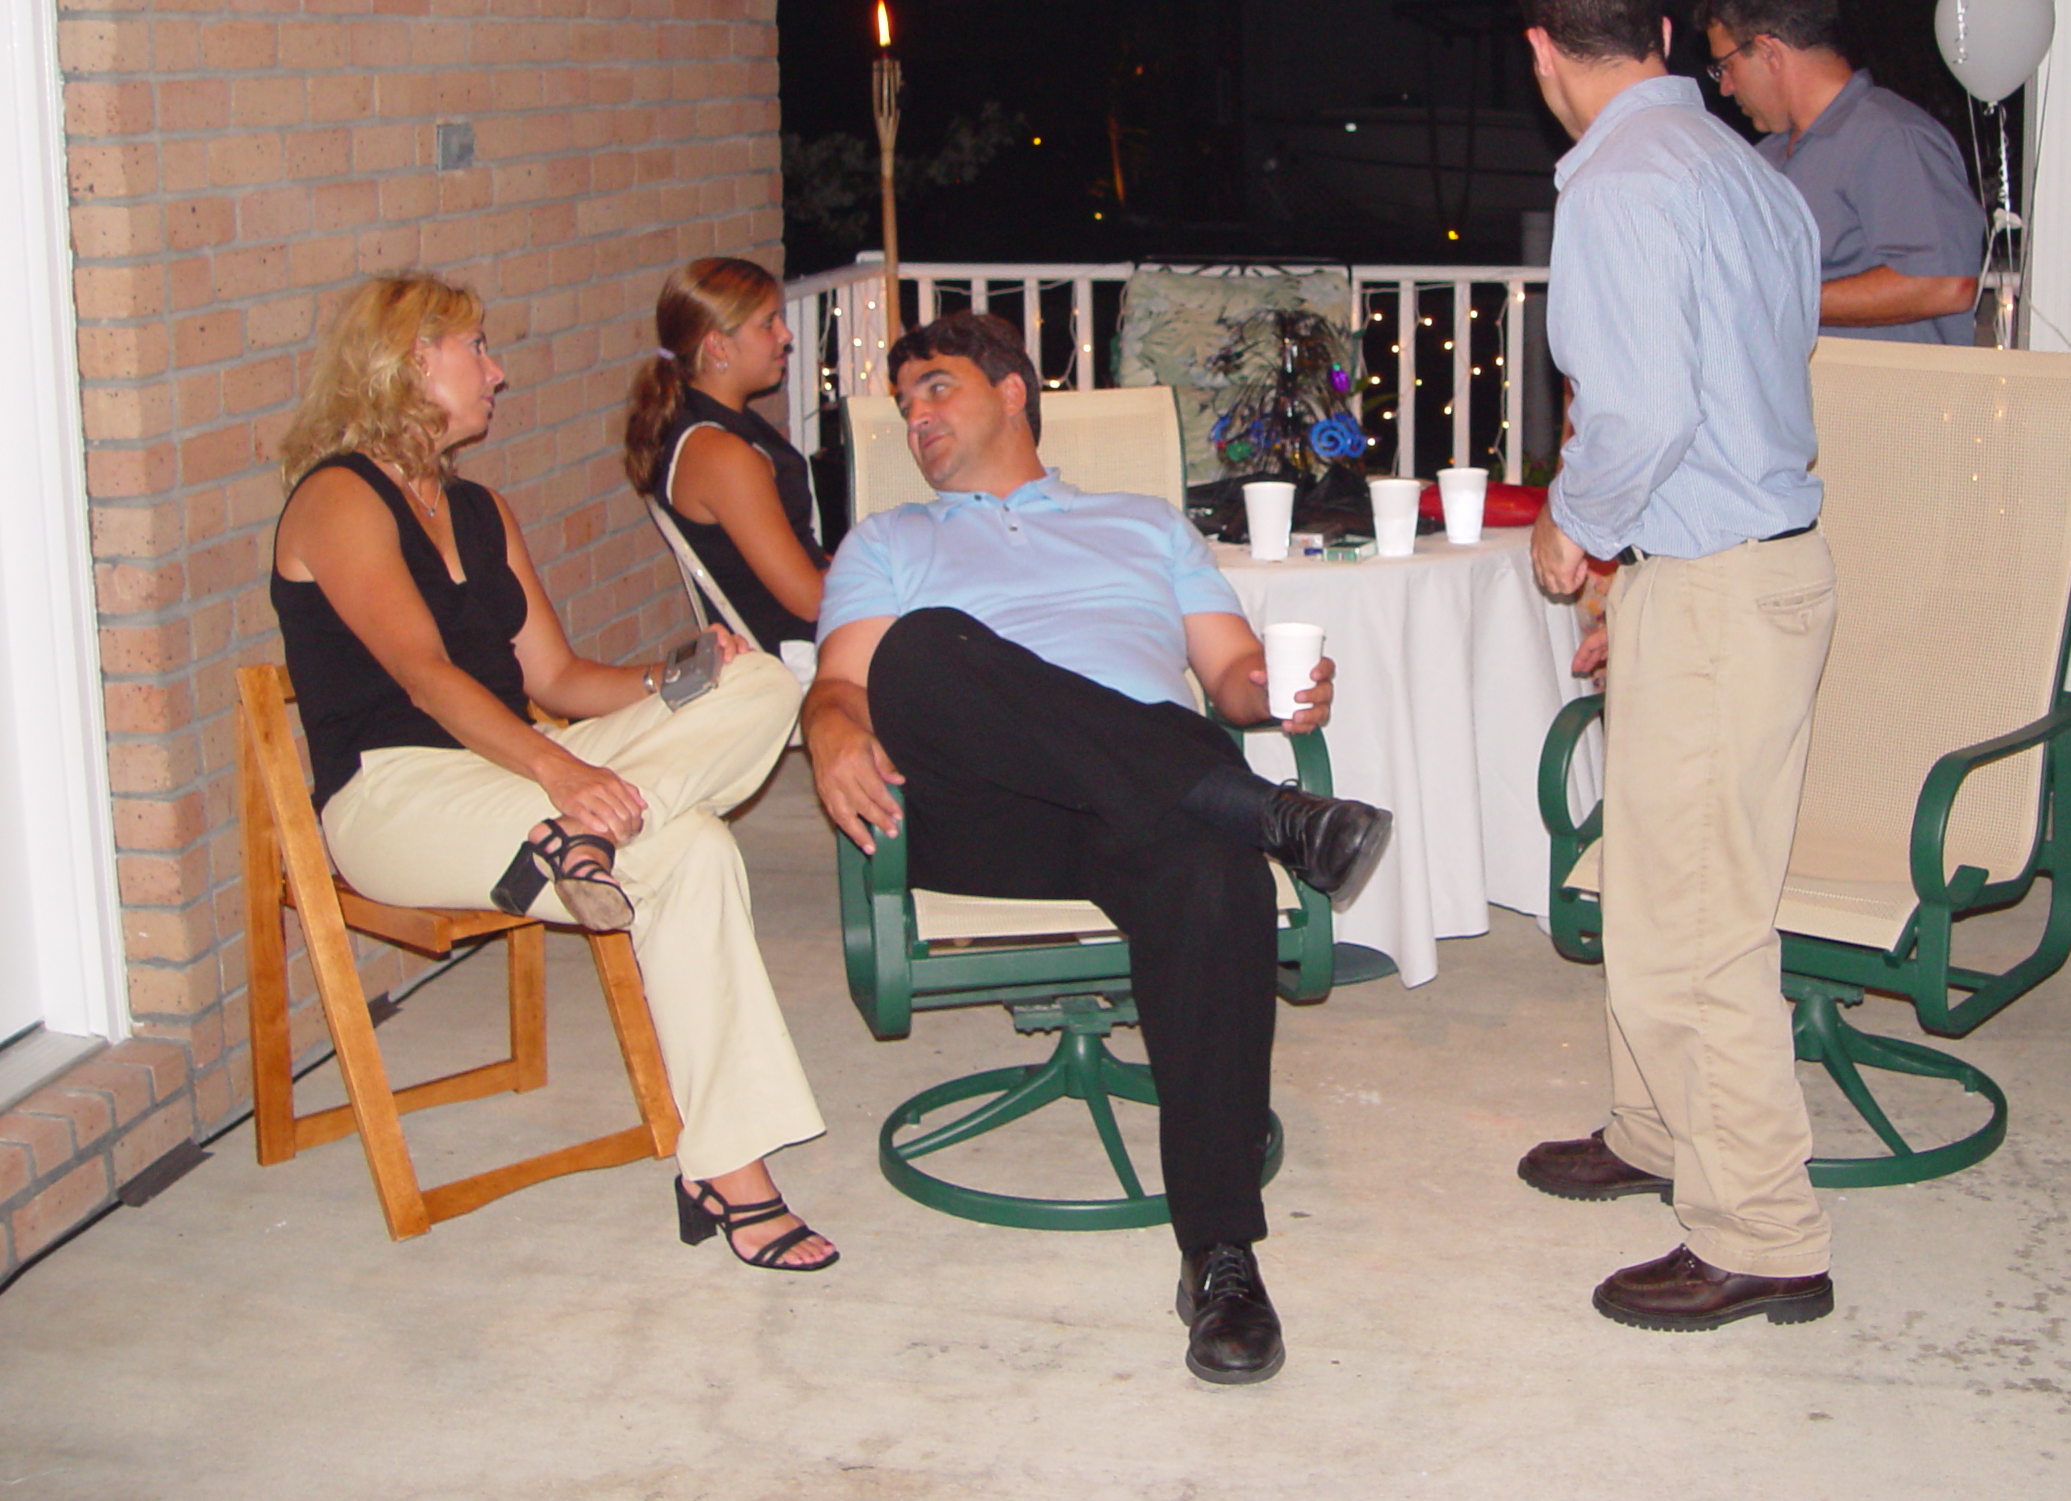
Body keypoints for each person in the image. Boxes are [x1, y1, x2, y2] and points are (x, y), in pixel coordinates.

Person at [800, 312, 1392, 1386]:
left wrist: (1280, 688)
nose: (916, 416)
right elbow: (845, 684)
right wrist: (829, 727)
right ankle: (1268, 814)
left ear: (1012, 392)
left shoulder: (1146, 524)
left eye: (937, 388)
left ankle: (1221, 1258)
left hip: (1142, 811)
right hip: (985, 814)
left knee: (1209, 866)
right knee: (925, 648)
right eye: (905, 402)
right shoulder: (889, 540)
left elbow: (1231, 675)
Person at [270, 272, 835, 1272]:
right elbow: (426, 675)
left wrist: (680, 676)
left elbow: (561, 679)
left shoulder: (480, 510)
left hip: (532, 792)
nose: (498, 372)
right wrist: (562, 775)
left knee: (762, 687)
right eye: (478, 350)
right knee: (691, 846)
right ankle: (732, 1172)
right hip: (398, 796)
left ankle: (721, 1159)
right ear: (411, 362)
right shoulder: (337, 496)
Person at [1512, 0, 1842, 1332]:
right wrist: (1632, 580)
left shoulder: (1620, 184)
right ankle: (1656, 1129)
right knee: (1660, 884)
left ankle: (1761, 1231)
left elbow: (1640, 412)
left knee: (1698, 926)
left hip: (1713, 588)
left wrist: (1575, 528)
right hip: (1744, 572)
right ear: (1658, 36)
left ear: (1540, 51)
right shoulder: (1747, 171)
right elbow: (1745, 374)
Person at [1696, 0, 1985, 345]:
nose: (1726, 88)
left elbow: (1944, 283)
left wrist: (1779, 303)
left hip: (1887, 387)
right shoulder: (1763, 159)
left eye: (1725, 67)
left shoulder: (1891, 137)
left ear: (1769, 53)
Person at [623, 258, 828, 676]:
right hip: (794, 656)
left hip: (813, 630)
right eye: (768, 323)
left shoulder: (719, 424)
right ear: (717, 346)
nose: (785, 335)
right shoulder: (720, 454)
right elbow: (809, 601)